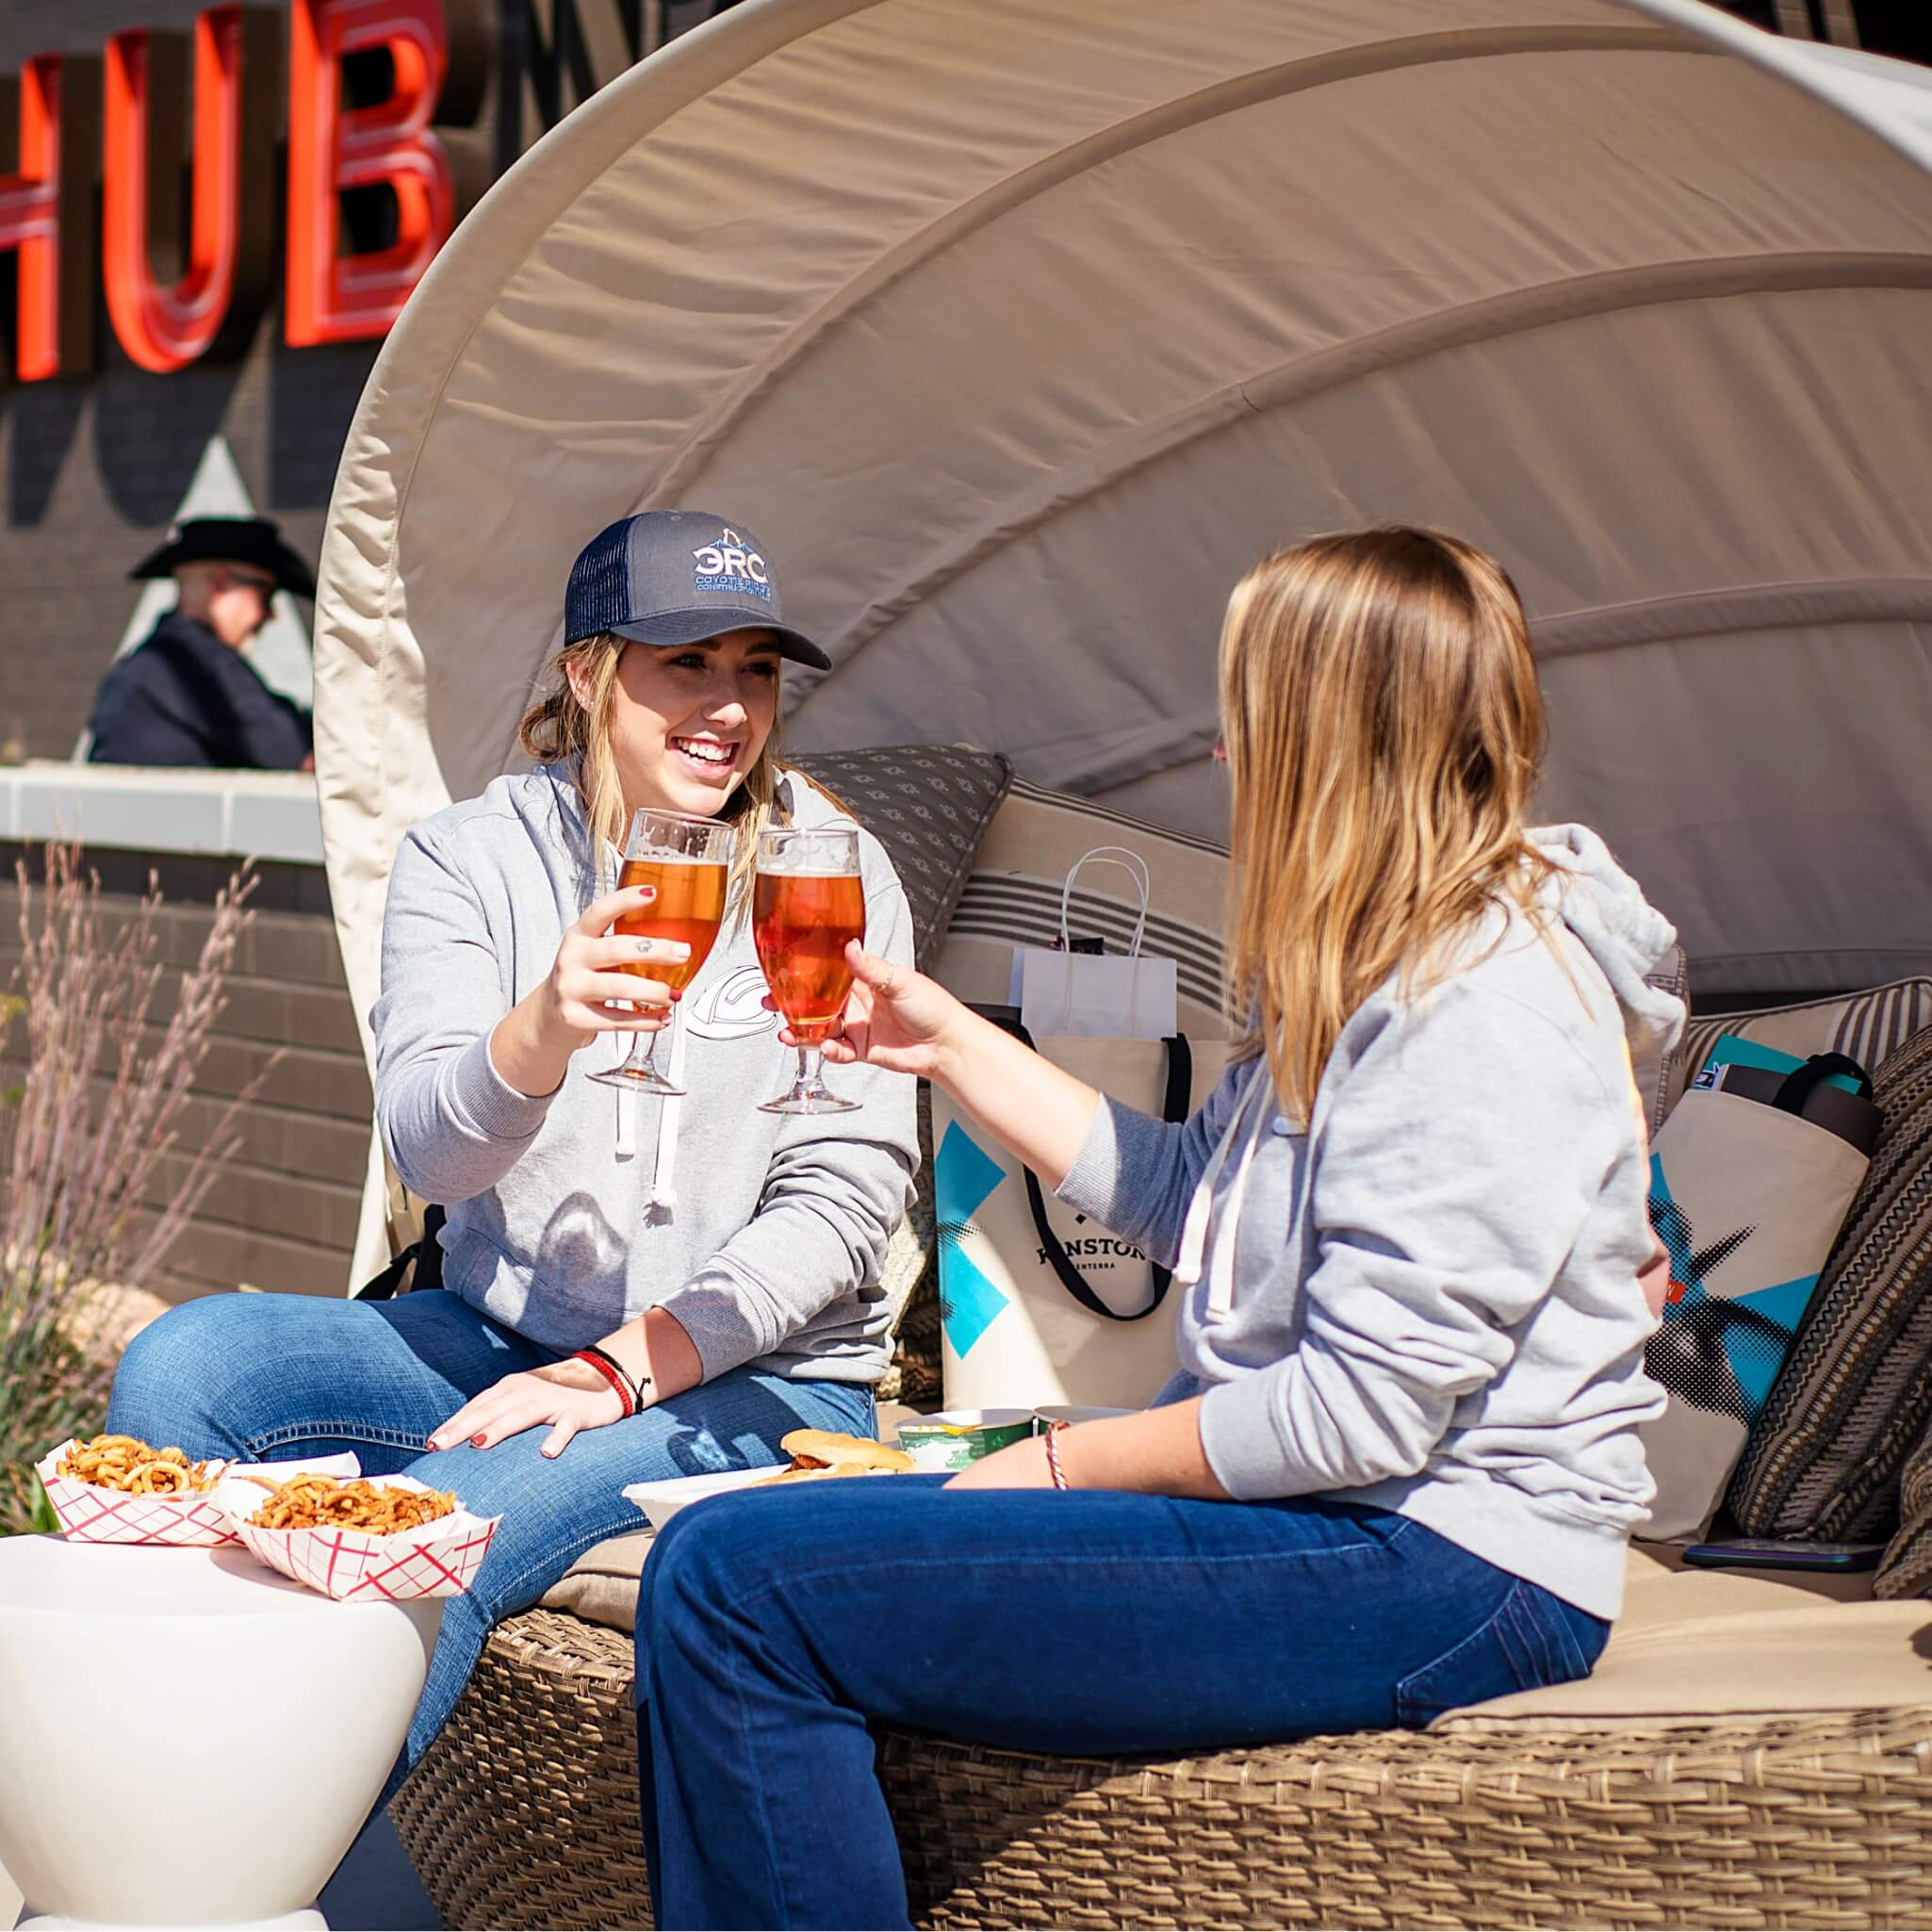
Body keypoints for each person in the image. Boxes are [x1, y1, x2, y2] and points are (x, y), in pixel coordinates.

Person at [630, 527, 1685, 1930]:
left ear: (1327, 738)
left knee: (739, 1587)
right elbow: (1198, 1198)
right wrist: (947, 1044)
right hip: (1344, 1522)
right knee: (756, 1545)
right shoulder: (1375, 962)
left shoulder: (1476, 1006)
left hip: (1444, 1563)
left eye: (1245, 719)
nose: (1222, 760)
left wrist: (1059, 1466)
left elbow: (1359, 1416)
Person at [106, 510, 919, 1784]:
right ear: (587, 673)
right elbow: (432, 1159)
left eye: (754, 666)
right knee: (185, 1366)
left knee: (444, 1514)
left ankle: (266, 1839)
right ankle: (141, 1769)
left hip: (756, 1374)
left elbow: (845, 1192)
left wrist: (620, 1368)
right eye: (685, 663)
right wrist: (539, 1029)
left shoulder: (832, 870)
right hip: (503, 1328)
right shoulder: (470, 854)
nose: (729, 707)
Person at [88, 516, 316, 770]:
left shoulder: (152, 662)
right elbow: (296, 752)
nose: (270, 615)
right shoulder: (194, 664)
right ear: (221, 585)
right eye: (266, 595)